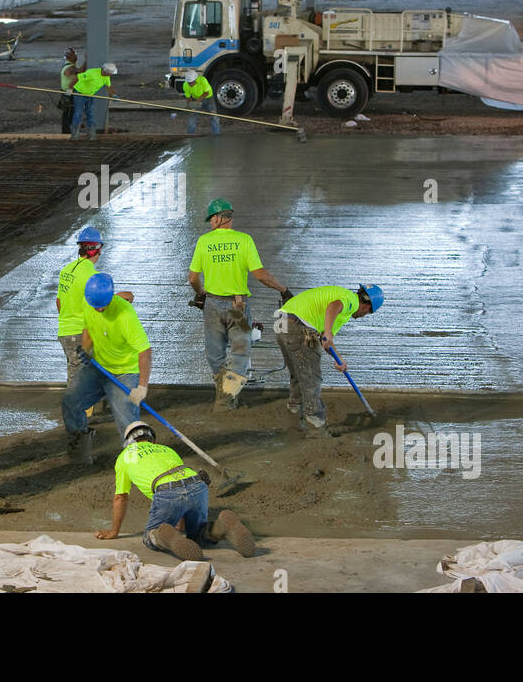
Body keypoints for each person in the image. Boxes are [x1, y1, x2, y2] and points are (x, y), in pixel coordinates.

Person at [187, 198, 293, 411]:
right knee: (241, 351)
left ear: (218, 218)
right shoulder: (245, 241)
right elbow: (261, 275)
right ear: (230, 217)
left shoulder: (204, 242)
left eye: (211, 219)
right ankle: (226, 397)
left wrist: (200, 293)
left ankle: (223, 392)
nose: (210, 223)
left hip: (212, 306)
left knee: (215, 353)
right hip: (238, 308)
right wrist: (283, 290)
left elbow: (192, 278)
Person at [96, 421, 256, 562]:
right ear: (152, 438)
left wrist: (114, 531)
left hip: (167, 491)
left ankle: (162, 534)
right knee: (200, 535)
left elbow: (120, 497)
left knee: (149, 537)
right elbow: (181, 484)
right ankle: (221, 527)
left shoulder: (125, 457)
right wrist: (180, 526)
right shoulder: (166, 449)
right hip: (197, 484)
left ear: (129, 441)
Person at [276, 284, 383, 436]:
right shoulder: (350, 301)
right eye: (366, 313)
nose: (362, 315)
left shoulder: (340, 305)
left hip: (282, 323)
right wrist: (327, 332)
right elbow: (334, 306)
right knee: (312, 378)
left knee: (299, 374)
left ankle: (294, 414)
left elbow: (327, 342)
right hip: (299, 327)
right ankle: (316, 426)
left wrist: (339, 360)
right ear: (366, 308)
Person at [62, 273, 147, 465]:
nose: (99, 309)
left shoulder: (125, 315)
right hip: (98, 367)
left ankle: (137, 463)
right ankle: (79, 456)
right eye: (95, 305)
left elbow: (145, 351)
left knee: (127, 420)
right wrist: (85, 351)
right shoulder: (90, 302)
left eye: (103, 305)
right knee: (71, 401)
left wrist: (142, 386)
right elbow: (89, 327)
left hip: (125, 372)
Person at [70, 62, 117, 141]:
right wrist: (70, 88)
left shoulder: (106, 76)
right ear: (104, 71)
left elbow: (109, 86)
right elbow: (77, 77)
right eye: (109, 73)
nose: (110, 75)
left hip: (90, 95)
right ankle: (75, 135)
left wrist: (113, 95)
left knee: (90, 113)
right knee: (78, 112)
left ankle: (91, 135)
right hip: (80, 93)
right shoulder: (91, 73)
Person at [181, 70, 221, 136]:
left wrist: (197, 101)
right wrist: (189, 105)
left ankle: (217, 135)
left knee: (214, 116)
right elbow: (188, 97)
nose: (190, 84)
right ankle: (189, 135)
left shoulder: (202, 80)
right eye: (189, 82)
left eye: (191, 82)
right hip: (195, 98)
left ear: (195, 79)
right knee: (192, 117)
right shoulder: (185, 85)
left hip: (208, 98)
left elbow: (206, 93)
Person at [59, 47, 84, 135]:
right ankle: (67, 133)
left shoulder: (71, 66)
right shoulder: (69, 67)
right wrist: (87, 61)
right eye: (74, 54)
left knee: (69, 114)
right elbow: (81, 71)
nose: (76, 56)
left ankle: (68, 132)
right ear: (70, 57)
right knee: (69, 114)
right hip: (68, 94)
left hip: (69, 93)